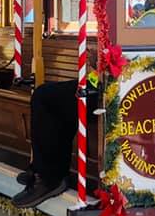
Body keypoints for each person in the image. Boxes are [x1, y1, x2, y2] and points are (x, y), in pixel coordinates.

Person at [12, 78, 98, 208]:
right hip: (103, 79)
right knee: (47, 95)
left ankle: (49, 178)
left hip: (120, 85)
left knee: (45, 97)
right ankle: (48, 171)